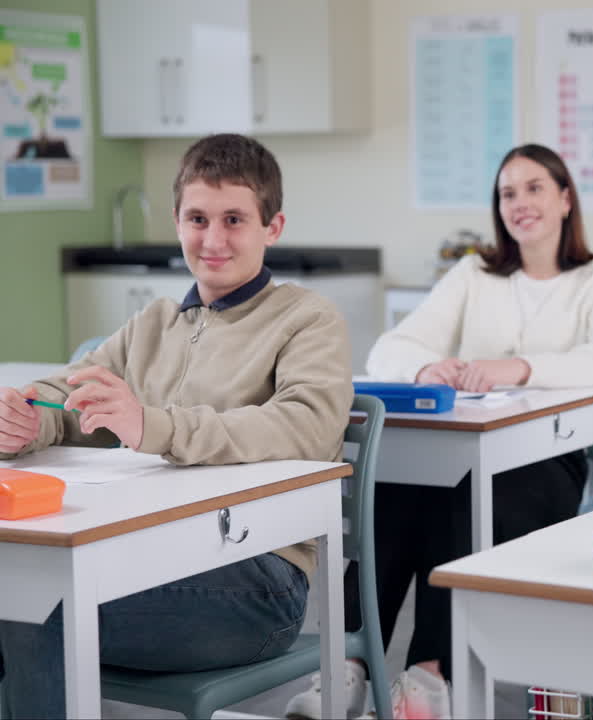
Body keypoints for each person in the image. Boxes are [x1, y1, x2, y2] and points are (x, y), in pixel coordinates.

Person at [0, 133, 353, 719]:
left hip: (257, 581)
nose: (213, 239)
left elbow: (305, 426)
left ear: (273, 226)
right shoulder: (155, 322)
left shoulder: (307, 319)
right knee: (21, 590)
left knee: (36, 604)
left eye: (234, 219)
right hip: (144, 549)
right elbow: (69, 395)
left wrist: (153, 425)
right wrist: (24, 420)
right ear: (177, 221)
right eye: (197, 218)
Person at [286, 144, 593, 720]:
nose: (520, 203)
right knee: (393, 489)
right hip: (468, 451)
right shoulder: (475, 274)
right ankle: (345, 668)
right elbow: (392, 345)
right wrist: (424, 368)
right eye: (507, 192)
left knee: (454, 495)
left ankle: (428, 676)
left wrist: (519, 367)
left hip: (545, 466)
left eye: (534, 188)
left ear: (565, 198)